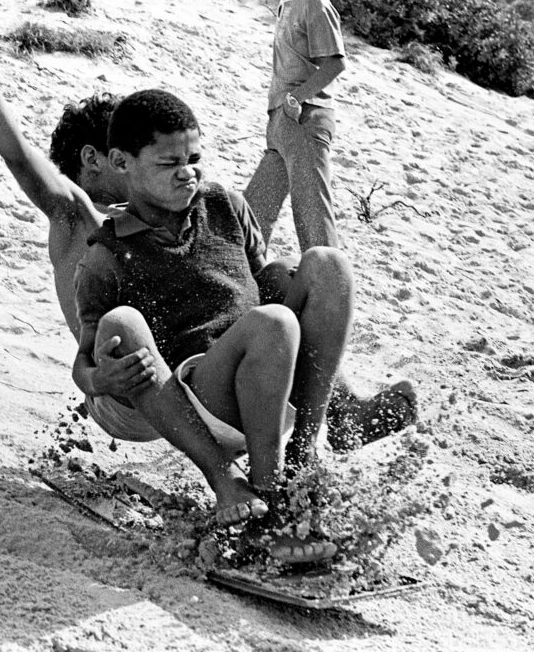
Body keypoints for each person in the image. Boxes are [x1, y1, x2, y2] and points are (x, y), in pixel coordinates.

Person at [0, 0, 415, 464]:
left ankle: (329, 423)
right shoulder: (80, 218)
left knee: (287, 273)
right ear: (102, 158)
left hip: (201, 357)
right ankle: (262, 454)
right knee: (252, 302)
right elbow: (20, 159)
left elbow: (236, 279)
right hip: (135, 389)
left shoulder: (174, 206)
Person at [73, 89, 353, 561]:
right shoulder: (106, 257)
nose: (187, 172)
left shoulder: (223, 203)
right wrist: (99, 379)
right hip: (197, 397)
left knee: (327, 265)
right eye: (168, 163)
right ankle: (249, 495)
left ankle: (300, 468)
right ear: (121, 163)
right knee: (124, 322)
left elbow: (260, 280)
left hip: (268, 378)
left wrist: (292, 282)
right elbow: (83, 361)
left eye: (194, 157)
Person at [244, 0, 345, 250]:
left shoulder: (314, 4)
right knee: (255, 209)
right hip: (281, 120)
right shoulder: (288, 2)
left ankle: (328, 291)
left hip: (306, 117)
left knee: (312, 215)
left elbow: (334, 63)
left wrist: (295, 98)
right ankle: (247, 282)